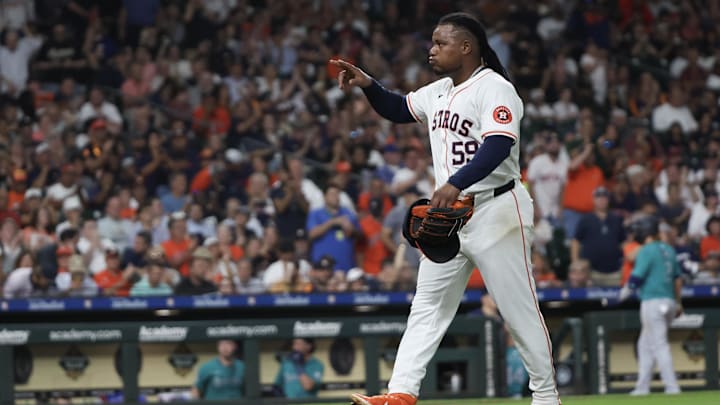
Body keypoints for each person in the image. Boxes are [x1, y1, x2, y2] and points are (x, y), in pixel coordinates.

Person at [330, 12, 560, 405]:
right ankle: (401, 393)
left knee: (517, 309)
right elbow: (400, 108)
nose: (431, 49)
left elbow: (498, 145)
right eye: (433, 42)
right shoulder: (440, 90)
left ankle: (545, 395)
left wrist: (455, 183)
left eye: (441, 43)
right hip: (452, 217)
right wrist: (368, 85)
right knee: (427, 306)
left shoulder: (495, 88)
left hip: (497, 208)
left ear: (466, 47)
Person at [619, 216, 682, 395]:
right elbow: (678, 279)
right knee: (645, 344)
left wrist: (624, 293)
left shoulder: (647, 249)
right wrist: (678, 303)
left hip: (653, 301)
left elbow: (636, 278)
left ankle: (672, 387)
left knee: (659, 344)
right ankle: (642, 387)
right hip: (669, 301)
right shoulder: (669, 249)